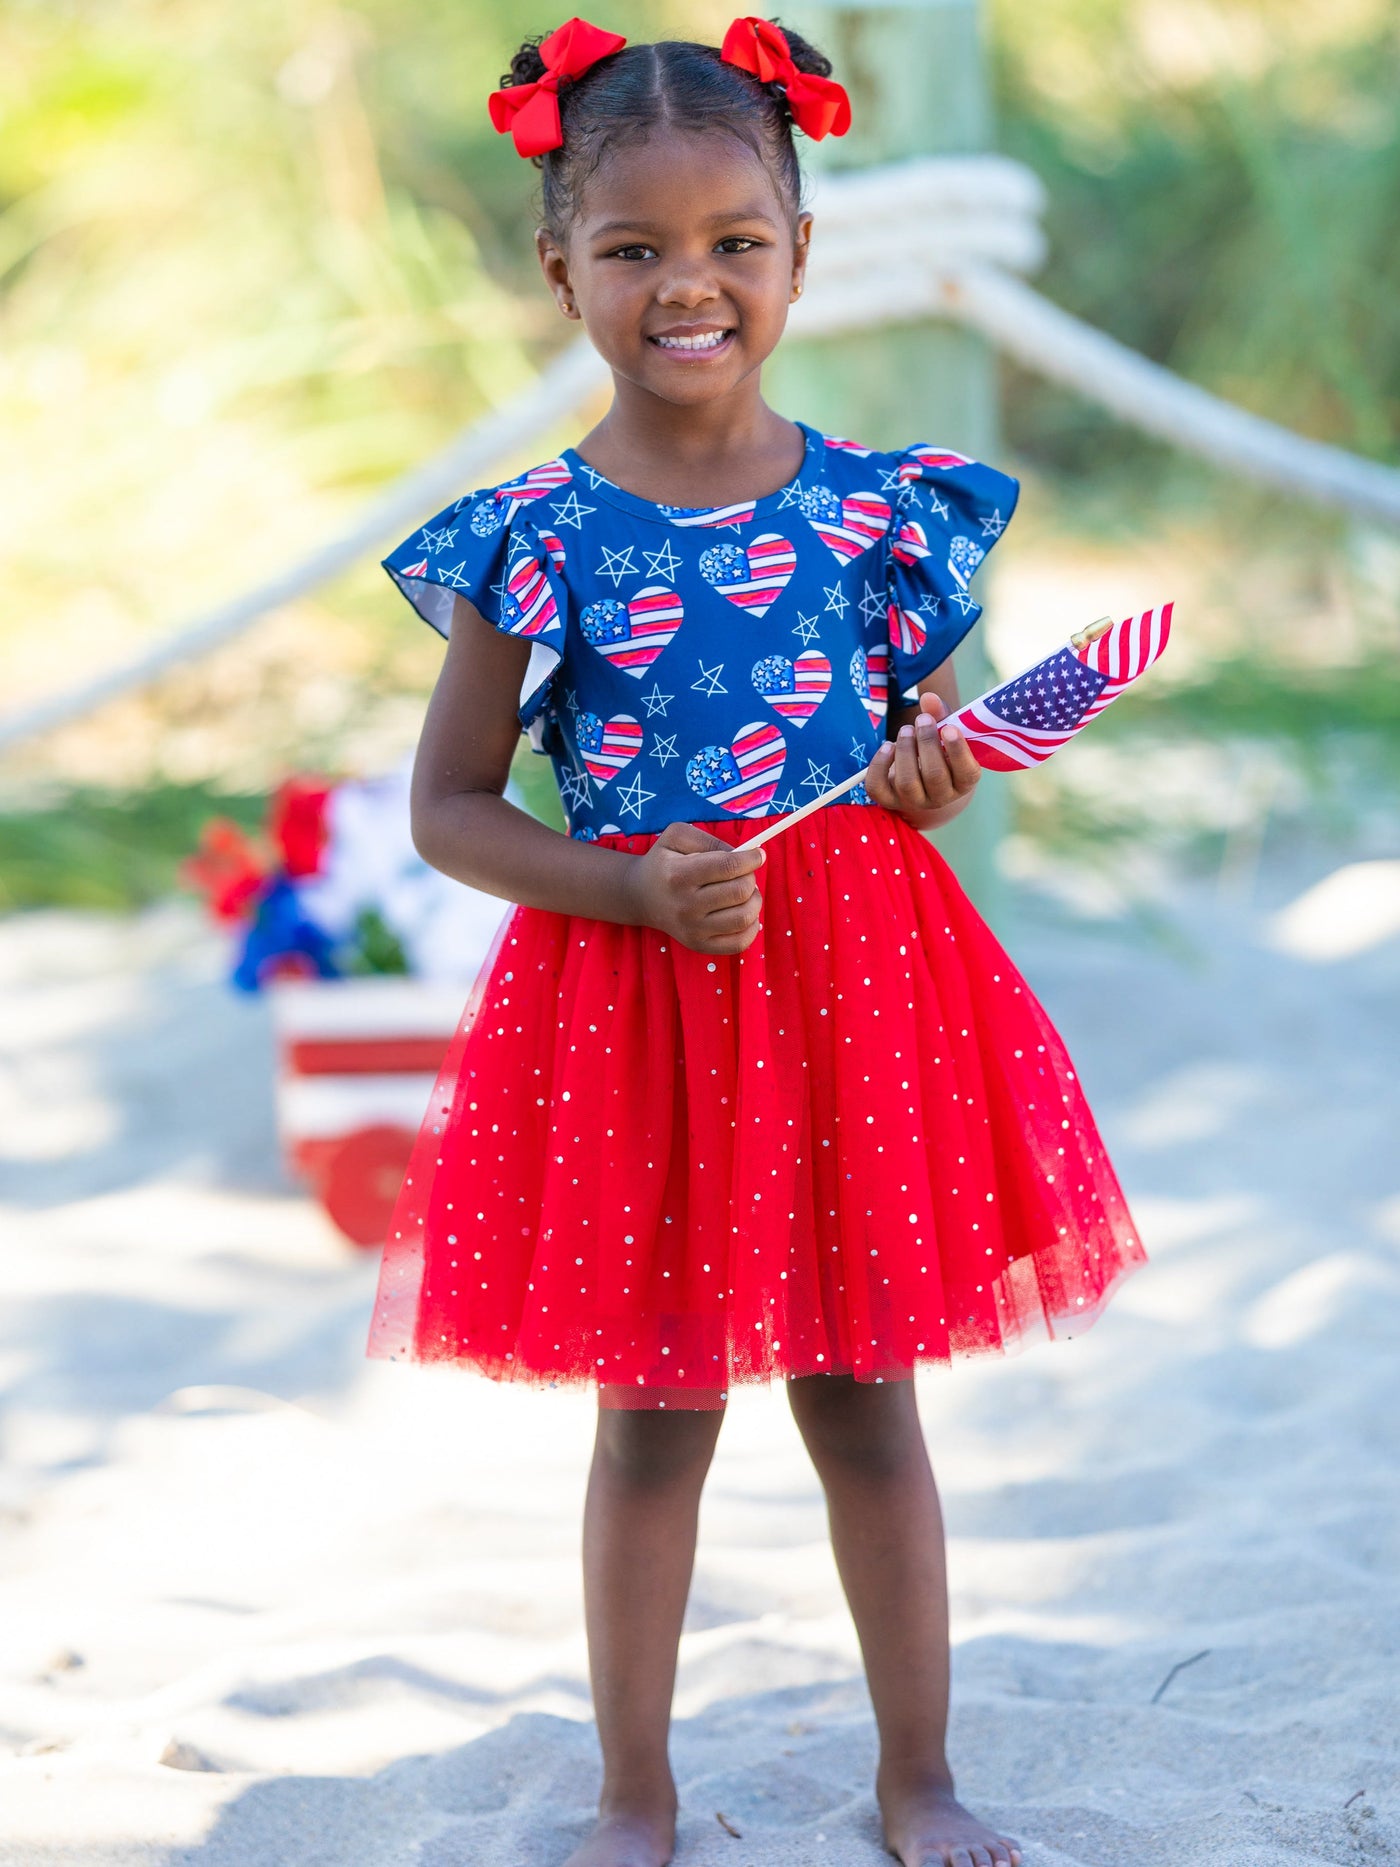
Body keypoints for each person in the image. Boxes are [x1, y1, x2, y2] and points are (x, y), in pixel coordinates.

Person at [367, 18, 1145, 1866]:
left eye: (736, 241)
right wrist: (627, 885)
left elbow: (920, 742)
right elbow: (450, 811)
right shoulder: (531, 540)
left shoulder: (887, 511)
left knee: (864, 1396)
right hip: (636, 994)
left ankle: (919, 1777)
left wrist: (936, 772)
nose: (688, 284)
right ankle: (638, 1789)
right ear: (561, 268)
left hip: (857, 991)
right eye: (634, 249)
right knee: (653, 1411)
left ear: (803, 256)